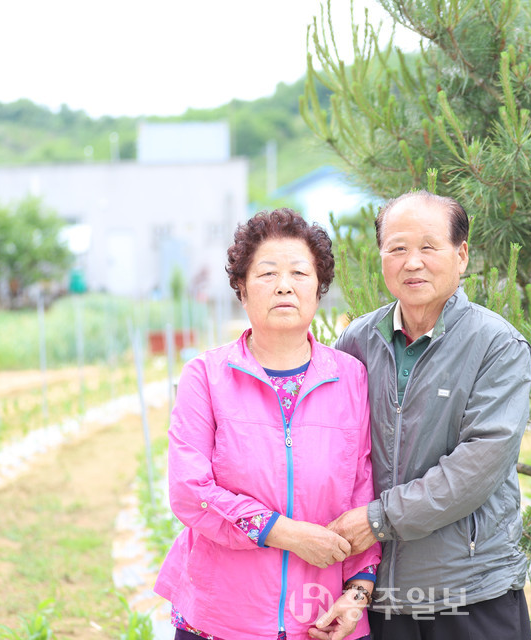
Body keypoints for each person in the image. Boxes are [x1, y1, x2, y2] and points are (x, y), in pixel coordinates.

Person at [155, 208, 381, 640]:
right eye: (266, 274)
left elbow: (362, 494)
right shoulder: (206, 376)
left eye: (299, 272)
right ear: (241, 288)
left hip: (321, 619)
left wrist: (357, 595)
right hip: (220, 620)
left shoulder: (351, 377)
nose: (284, 285)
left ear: (319, 287)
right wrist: (286, 533)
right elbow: (189, 492)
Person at [329, 191, 531, 640]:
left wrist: (378, 519)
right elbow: (338, 456)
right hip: (379, 594)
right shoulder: (357, 342)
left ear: (461, 255)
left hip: (471, 591)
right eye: (397, 248)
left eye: (428, 247)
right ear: (381, 257)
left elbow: (478, 465)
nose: (412, 262)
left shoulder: (497, 345)